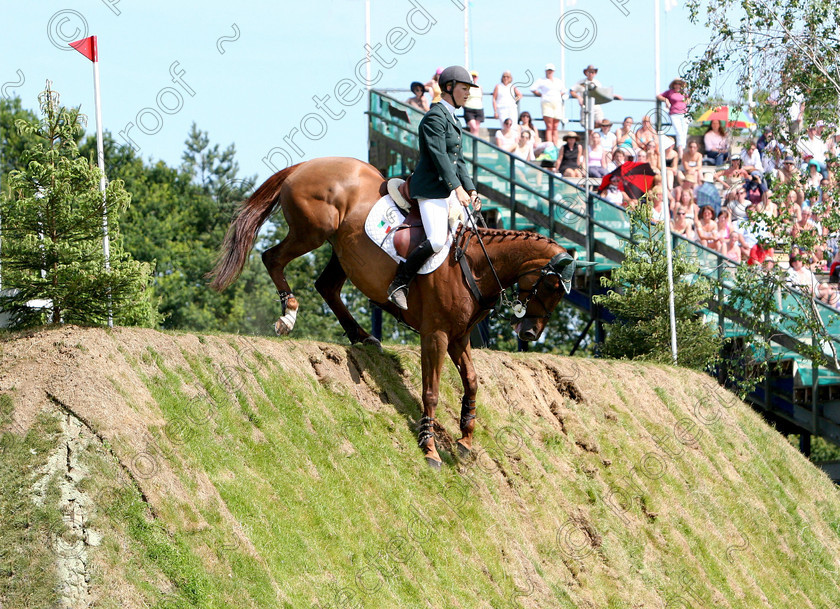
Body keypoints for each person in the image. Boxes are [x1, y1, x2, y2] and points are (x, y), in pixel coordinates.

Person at [388, 65, 480, 310]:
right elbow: (439, 156)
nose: (468, 93)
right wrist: (457, 188)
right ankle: (399, 283)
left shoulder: (452, 118)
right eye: (464, 88)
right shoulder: (435, 117)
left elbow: (457, 160)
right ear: (448, 88)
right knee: (438, 240)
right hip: (430, 189)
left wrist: (470, 189)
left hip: (447, 188)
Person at [570, 65, 623, 131]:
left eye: (592, 72)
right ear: (586, 73)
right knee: (587, 125)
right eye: (589, 72)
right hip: (585, 106)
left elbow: (602, 93)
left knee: (601, 122)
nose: (591, 74)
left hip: (596, 106)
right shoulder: (581, 82)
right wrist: (579, 97)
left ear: (595, 73)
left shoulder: (597, 83)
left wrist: (614, 95)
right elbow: (572, 91)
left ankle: (597, 136)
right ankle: (590, 135)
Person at [531, 63, 567, 147]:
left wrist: (558, 95)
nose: (549, 72)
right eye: (548, 70)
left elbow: (564, 90)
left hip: (557, 103)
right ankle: (550, 145)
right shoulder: (541, 80)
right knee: (549, 126)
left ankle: (555, 145)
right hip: (547, 103)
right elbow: (533, 88)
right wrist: (541, 94)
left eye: (551, 70)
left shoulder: (558, 81)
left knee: (555, 126)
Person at [657, 78, 690, 155]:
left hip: (684, 114)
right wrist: (666, 100)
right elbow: (659, 96)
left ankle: (683, 149)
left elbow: (689, 99)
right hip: (674, 114)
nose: (678, 85)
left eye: (679, 84)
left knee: (684, 131)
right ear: (673, 85)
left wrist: (688, 100)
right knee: (678, 132)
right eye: (676, 84)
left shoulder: (684, 92)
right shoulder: (670, 92)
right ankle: (680, 150)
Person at [463, 70, 485, 137]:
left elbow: (481, 98)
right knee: (473, 127)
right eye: (472, 77)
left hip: (479, 108)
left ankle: (475, 144)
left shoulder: (480, 87)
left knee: (476, 129)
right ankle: (473, 144)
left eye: (475, 77)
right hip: (469, 108)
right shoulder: (467, 87)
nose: (473, 78)